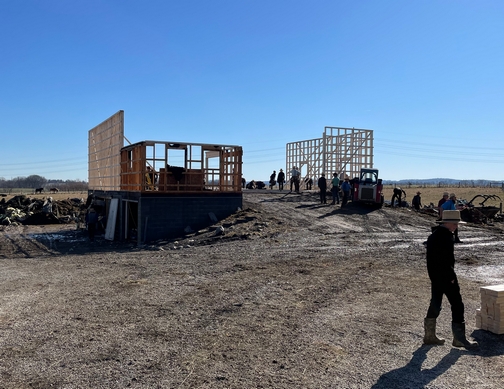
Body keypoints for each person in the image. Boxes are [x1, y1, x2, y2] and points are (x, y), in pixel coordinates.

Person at [423, 210, 478, 349]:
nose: (456, 226)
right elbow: (445, 261)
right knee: (458, 305)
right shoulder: (446, 237)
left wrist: (435, 277)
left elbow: (431, 261)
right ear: (446, 223)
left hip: (435, 277)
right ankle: (459, 339)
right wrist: (451, 278)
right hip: (446, 278)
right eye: (454, 223)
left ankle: (429, 336)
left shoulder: (433, 236)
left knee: (435, 304)